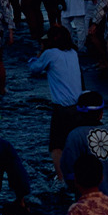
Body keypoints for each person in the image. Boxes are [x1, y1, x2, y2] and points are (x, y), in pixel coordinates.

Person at [28, 25, 83, 183]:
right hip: (78, 106)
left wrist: (37, 55)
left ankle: (61, 179)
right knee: (75, 142)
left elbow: (35, 69)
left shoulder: (49, 54)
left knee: (56, 146)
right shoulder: (73, 53)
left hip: (62, 108)